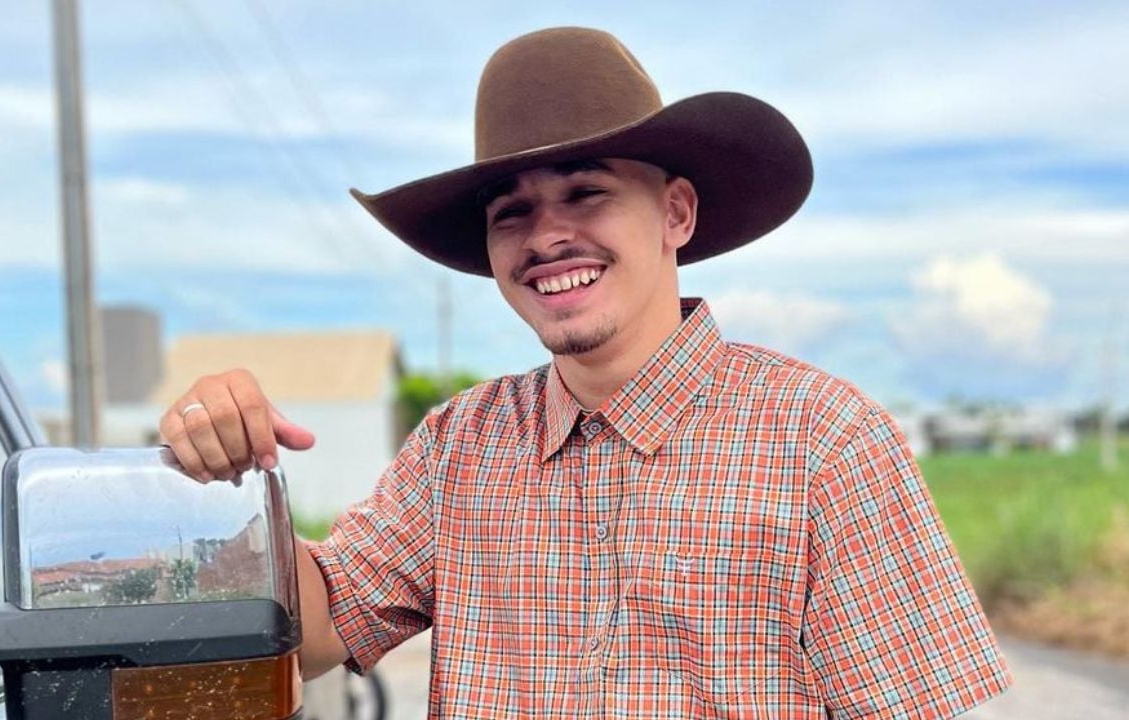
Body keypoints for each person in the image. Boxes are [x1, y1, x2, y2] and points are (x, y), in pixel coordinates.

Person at [159, 26, 1012, 718]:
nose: (546, 237)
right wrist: (229, 476)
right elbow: (313, 635)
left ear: (675, 211)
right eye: (512, 211)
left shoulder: (824, 441)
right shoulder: (459, 447)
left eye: (586, 192)